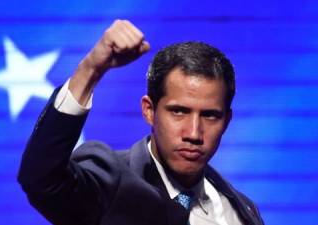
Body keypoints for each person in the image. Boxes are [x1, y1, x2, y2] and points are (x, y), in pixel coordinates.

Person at [18, 19, 264, 225]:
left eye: (210, 115)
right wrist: (92, 68)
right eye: (178, 111)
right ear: (149, 110)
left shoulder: (240, 209)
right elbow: (41, 180)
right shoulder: (111, 182)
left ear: (227, 121)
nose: (193, 132)